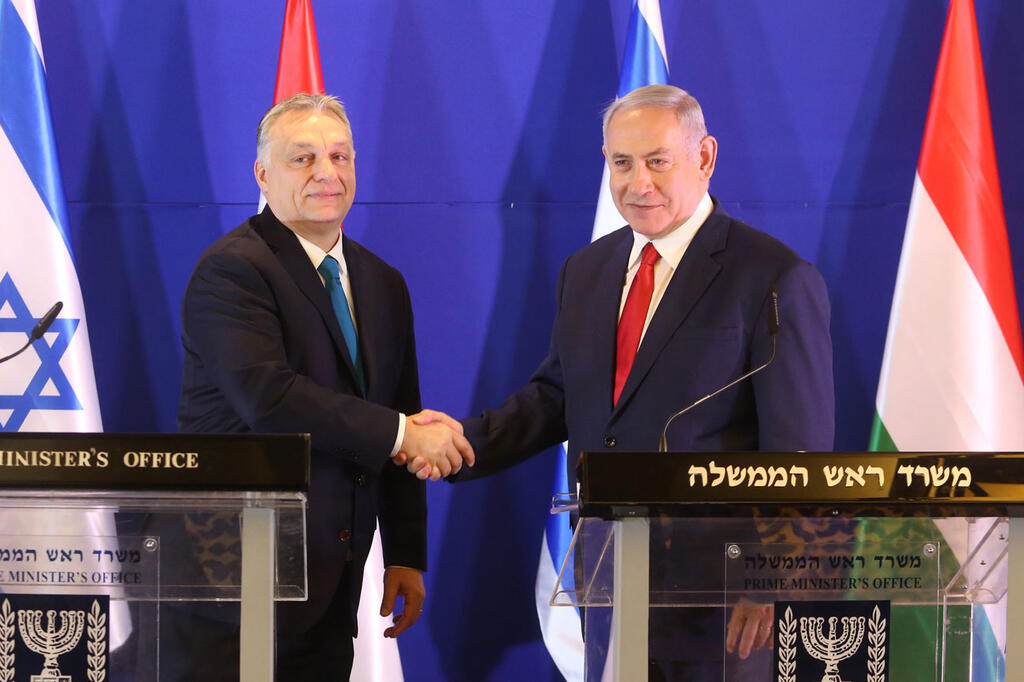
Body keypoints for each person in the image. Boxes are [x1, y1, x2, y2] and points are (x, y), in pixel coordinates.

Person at [409, 84, 834, 680]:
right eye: (621, 163)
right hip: (610, 577)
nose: (639, 184)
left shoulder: (773, 277)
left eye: (657, 161)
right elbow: (557, 397)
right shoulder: (587, 270)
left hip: (722, 599)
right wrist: (462, 444)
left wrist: (774, 578)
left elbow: (802, 450)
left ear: (704, 158)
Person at [175, 93, 472, 679]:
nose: (326, 173)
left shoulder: (382, 282)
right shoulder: (233, 270)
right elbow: (271, 399)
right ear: (262, 174)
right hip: (235, 580)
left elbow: (399, 410)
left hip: (336, 581)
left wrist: (406, 553)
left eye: (339, 156)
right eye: (303, 158)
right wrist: (405, 434)